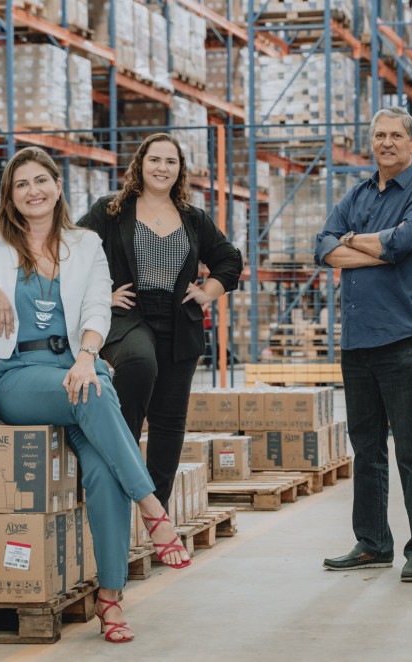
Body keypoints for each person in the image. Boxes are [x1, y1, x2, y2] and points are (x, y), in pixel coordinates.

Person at [0, 146, 191, 644]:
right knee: (98, 394)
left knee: (103, 466)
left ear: (58, 187)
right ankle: (154, 512)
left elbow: (99, 308)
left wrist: (86, 354)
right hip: (18, 376)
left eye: (42, 180)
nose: (33, 191)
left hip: (73, 368)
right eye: (21, 185)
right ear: (11, 198)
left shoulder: (85, 244)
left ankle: (110, 597)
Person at [78, 133, 242, 512]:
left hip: (178, 320)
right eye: (155, 160)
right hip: (128, 314)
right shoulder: (111, 210)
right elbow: (75, 252)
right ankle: (119, 495)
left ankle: (157, 514)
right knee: (138, 367)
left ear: (180, 170)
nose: (162, 168)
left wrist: (207, 292)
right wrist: (103, 297)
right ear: (140, 164)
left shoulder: (192, 218)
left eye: (171, 162)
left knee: (169, 424)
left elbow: (229, 259)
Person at [315, 107, 412, 583]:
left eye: (396, 136)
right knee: (365, 447)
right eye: (379, 135)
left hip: (401, 338)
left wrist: (356, 246)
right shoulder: (359, 193)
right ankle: (372, 543)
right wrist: (370, 248)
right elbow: (322, 246)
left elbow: (404, 240)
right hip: (357, 341)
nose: (387, 143)